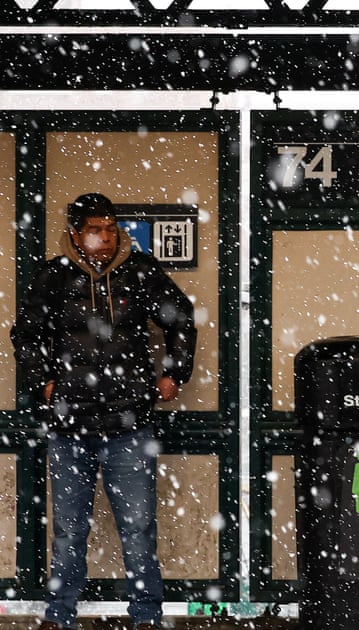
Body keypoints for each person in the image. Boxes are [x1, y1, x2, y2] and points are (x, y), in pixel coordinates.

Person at [10, 193, 197, 630]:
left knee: (138, 532)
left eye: (111, 228)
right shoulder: (54, 277)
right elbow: (26, 333)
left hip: (129, 424)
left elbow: (181, 320)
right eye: (96, 229)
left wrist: (174, 374)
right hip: (69, 426)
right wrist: (43, 382)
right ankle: (60, 615)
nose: (107, 237)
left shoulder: (140, 272)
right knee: (70, 533)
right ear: (76, 234)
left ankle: (146, 616)